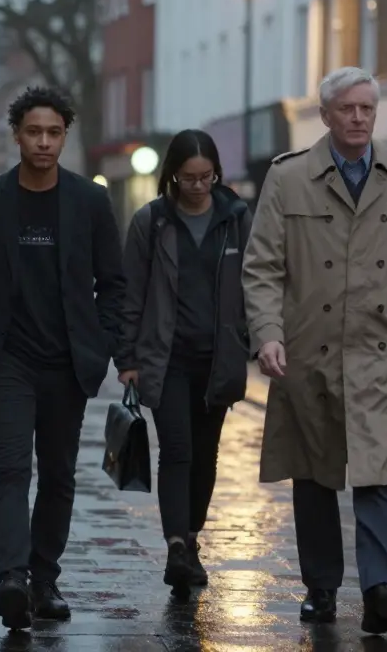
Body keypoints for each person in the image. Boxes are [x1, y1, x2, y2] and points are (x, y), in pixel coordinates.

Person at [241, 67, 387, 636]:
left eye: (367, 110)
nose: (358, 119)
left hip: (386, 351)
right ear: (326, 115)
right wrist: (268, 333)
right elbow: (261, 267)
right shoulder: (288, 178)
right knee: (316, 474)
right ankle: (322, 587)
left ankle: (381, 586)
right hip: (311, 349)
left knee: (381, 470)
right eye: (348, 109)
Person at [0, 86, 128, 630]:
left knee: (60, 475)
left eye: (53, 133)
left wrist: (102, 340)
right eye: (33, 132)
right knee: (11, 467)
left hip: (67, 364)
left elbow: (113, 284)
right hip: (4, 362)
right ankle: (13, 578)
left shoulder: (89, 201)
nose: (44, 142)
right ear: (17, 135)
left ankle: (45, 579)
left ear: (65, 136)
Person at [117, 129, 251, 595]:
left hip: (218, 359)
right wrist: (128, 357)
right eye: (188, 178)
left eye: (206, 177)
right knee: (177, 450)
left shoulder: (236, 219)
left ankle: (191, 539)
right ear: (172, 175)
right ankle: (176, 546)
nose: (198, 186)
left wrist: (254, 340)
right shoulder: (151, 222)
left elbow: (256, 284)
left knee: (207, 454)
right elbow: (130, 292)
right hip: (165, 356)